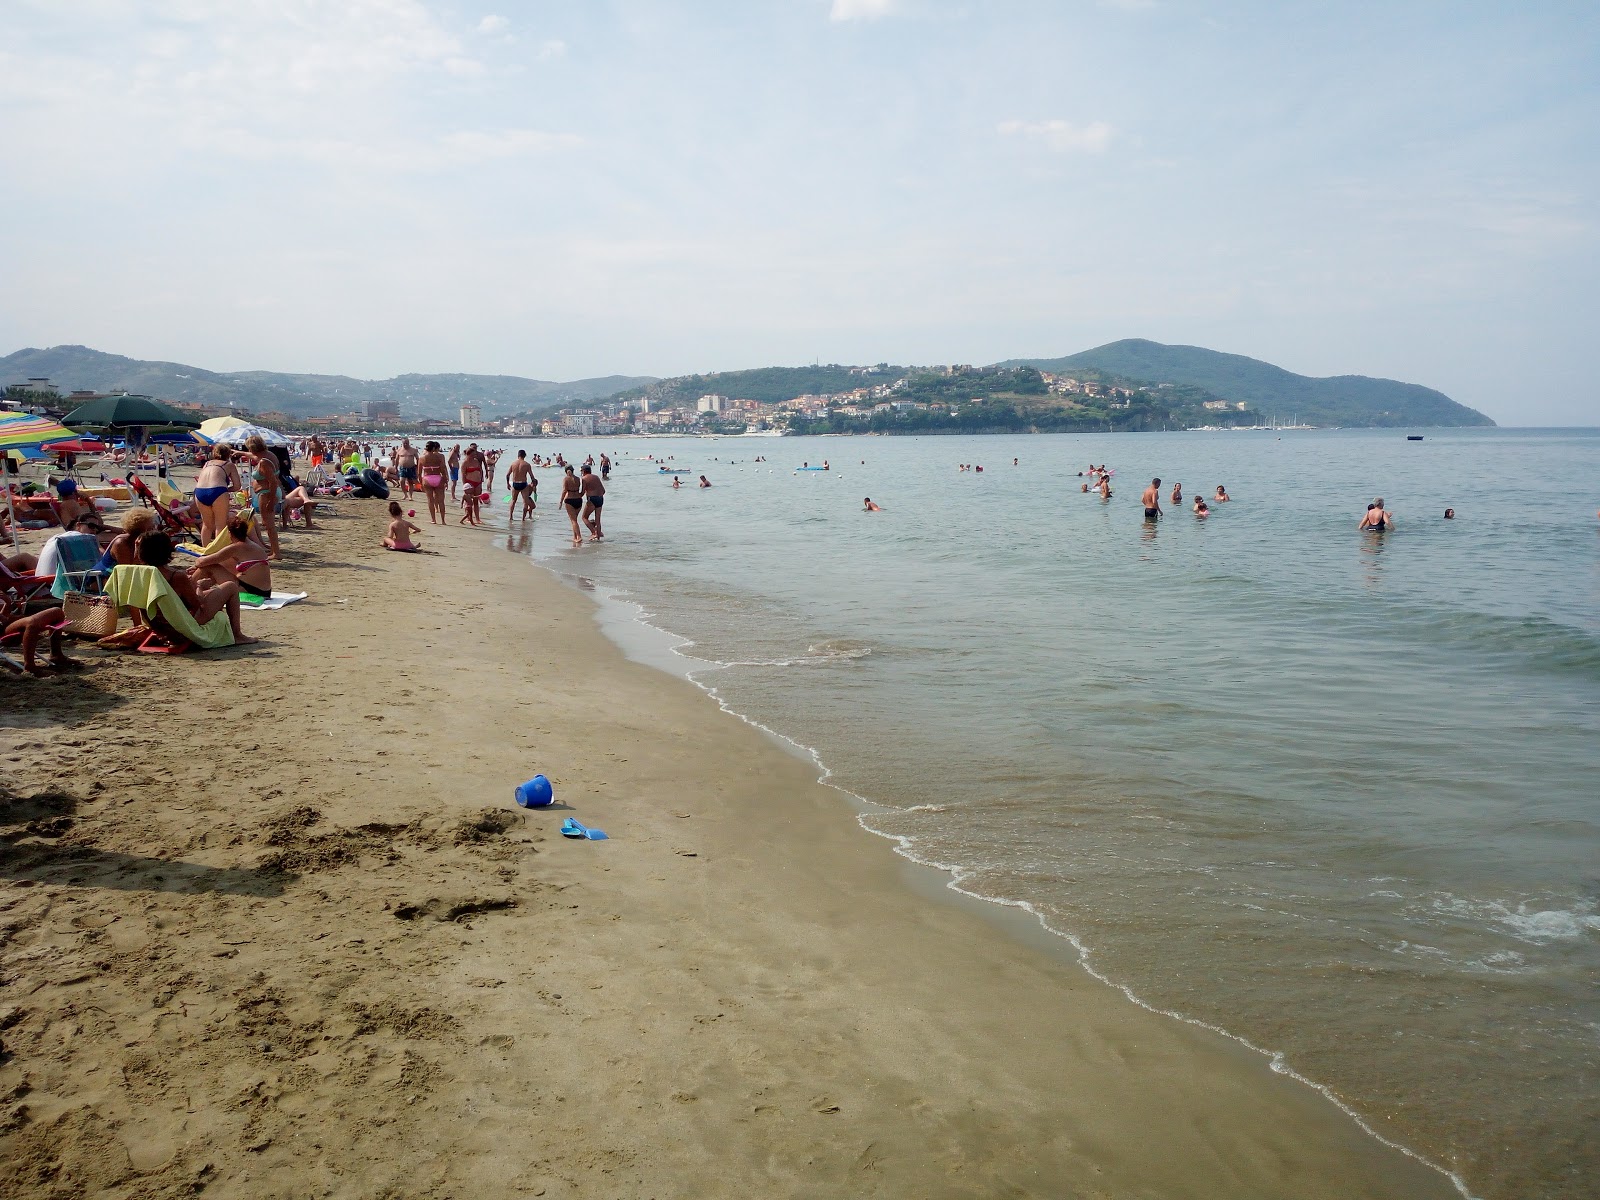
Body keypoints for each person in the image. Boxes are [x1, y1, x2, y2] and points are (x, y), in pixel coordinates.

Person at [136, 530, 256, 645]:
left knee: (214, 593)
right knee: (230, 586)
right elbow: (197, 604)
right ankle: (237, 635)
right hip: (182, 624)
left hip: (158, 623)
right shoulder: (175, 576)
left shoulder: (140, 573)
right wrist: (199, 586)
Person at [189, 517, 273, 602]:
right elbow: (223, 562)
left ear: (229, 533)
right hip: (264, 591)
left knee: (207, 567)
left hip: (250, 590)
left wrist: (197, 564)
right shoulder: (252, 545)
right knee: (212, 565)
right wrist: (198, 566)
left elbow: (201, 562)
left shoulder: (236, 548)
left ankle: (188, 588)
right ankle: (192, 587)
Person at [2, 607, 79, 675]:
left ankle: (56, 655)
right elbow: (4, 620)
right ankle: (30, 666)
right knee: (32, 622)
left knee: (57, 612)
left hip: (7, 624)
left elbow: (5, 616)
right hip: (2, 631)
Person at [192, 446, 240, 549]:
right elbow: (237, 486)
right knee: (220, 525)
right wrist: (226, 490)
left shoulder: (207, 464)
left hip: (200, 491)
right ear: (228, 454)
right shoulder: (229, 465)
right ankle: (218, 552)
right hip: (218, 490)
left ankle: (205, 551)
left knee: (207, 525)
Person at [244, 436, 282, 560]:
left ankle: (276, 553)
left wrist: (271, 501)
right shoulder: (269, 455)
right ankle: (274, 550)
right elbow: (253, 456)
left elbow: (273, 482)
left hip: (267, 493)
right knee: (267, 523)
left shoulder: (264, 462)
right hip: (268, 492)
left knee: (269, 524)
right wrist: (238, 452)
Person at [419, 441, 449, 524]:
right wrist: (445, 479)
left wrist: (420, 483)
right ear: (433, 448)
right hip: (438, 478)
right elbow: (442, 469)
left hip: (427, 478)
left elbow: (419, 472)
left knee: (430, 500)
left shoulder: (422, 458)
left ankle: (433, 520)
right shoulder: (439, 457)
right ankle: (443, 520)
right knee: (441, 501)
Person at [507, 450, 536, 518]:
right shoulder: (527, 464)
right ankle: (523, 519)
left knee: (513, 501)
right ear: (525, 455)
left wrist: (507, 484)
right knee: (525, 502)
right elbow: (532, 476)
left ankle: (511, 517)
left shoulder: (513, 464)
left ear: (518, 455)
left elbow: (507, 475)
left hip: (515, 484)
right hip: (523, 484)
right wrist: (534, 483)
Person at [559, 465, 583, 546]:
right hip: (579, 500)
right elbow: (581, 489)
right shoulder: (578, 479)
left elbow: (564, 490)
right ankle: (575, 537)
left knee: (573, 521)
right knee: (574, 520)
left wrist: (560, 502)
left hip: (569, 500)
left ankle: (579, 537)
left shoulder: (566, 479)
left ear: (566, 471)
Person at [580, 464, 605, 541]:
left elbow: (583, 492)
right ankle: (598, 534)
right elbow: (603, 490)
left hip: (592, 499)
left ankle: (594, 532)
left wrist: (576, 496)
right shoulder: (596, 477)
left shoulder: (584, 478)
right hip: (600, 498)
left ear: (584, 471)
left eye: (582, 471)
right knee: (598, 519)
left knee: (584, 517)